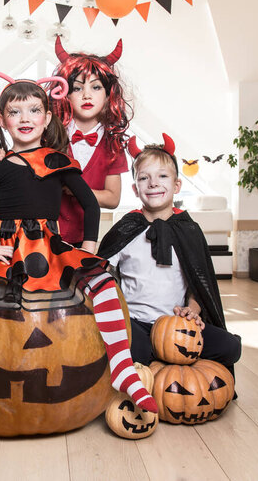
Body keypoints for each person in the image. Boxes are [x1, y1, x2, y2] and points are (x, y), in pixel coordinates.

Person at [0, 72, 157, 423]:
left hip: (48, 245)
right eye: (15, 112)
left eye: (33, 110)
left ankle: (122, 368)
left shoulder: (59, 162)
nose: (25, 119)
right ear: (2, 121)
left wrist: (86, 249)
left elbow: (89, 204)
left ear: (46, 118)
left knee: (102, 283)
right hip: (5, 243)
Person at [97, 134, 241, 374]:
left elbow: (199, 281)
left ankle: (161, 361)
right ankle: (160, 361)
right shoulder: (126, 227)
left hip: (177, 324)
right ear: (135, 188)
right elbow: (102, 270)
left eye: (162, 176)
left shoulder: (189, 229)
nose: (153, 183)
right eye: (144, 178)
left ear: (177, 186)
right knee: (132, 352)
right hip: (135, 323)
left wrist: (193, 309)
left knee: (230, 347)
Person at [0, 38, 131, 247]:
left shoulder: (113, 145)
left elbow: (113, 199)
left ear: (108, 94)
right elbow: (16, 163)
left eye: (96, 87)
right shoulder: (44, 134)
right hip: (38, 238)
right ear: (65, 94)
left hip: (81, 239)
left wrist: (74, 188)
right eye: (77, 88)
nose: (87, 95)